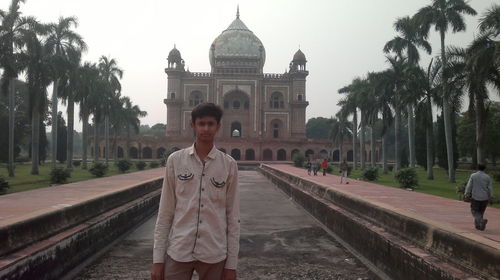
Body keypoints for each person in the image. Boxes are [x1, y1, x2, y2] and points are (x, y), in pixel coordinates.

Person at [151, 103, 240, 280]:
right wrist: (157, 260)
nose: (206, 128)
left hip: (214, 252)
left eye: (210, 124)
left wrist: (231, 265)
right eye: (201, 123)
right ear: (192, 125)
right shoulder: (175, 161)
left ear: (218, 127)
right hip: (179, 250)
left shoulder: (229, 165)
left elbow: (233, 217)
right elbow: (165, 212)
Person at [464, 164, 494, 231]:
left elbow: (469, 186)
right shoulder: (487, 177)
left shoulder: (473, 176)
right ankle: (478, 225)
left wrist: (467, 194)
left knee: (474, 211)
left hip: (476, 197)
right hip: (485, 197)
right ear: (484, 169)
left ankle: (481, 221)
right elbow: (490, 188)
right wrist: (491, 197)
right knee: (481, 212)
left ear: (477, 168)